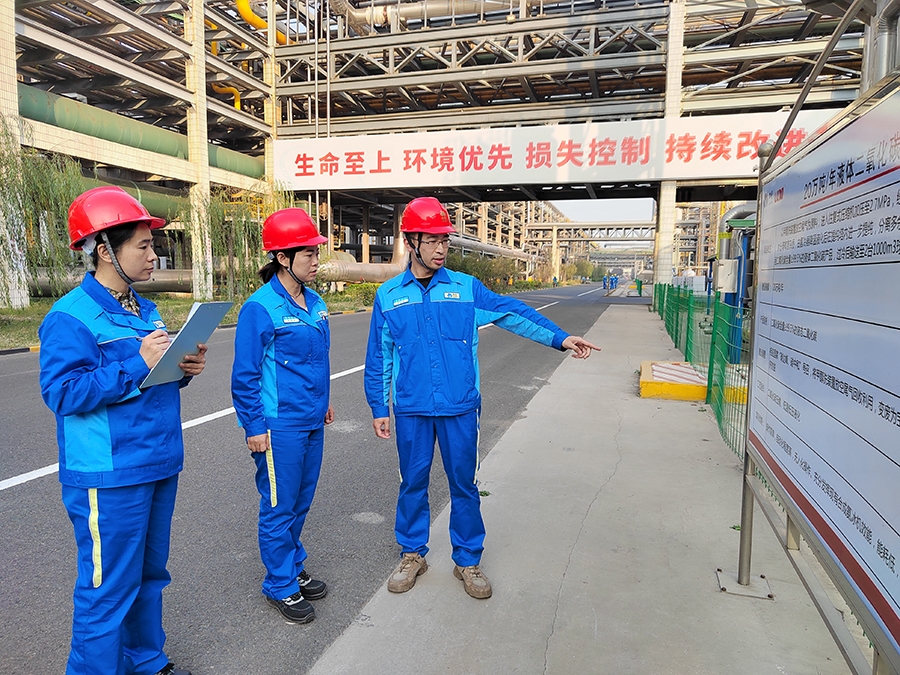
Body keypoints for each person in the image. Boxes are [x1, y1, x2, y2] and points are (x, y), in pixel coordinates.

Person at [364, 197, 600, 600]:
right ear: (412, 241)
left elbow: (512, 312)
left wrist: (560, 338)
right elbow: (379, 356)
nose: (441, 248)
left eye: (445, 240)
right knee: (412, 483)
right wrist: (377, 406)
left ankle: (467, 559)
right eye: (433, 240)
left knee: (465, 485)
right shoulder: (388, 296)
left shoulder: (465, 289)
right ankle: (412, 554)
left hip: (460, 408)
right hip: (412, 408)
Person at [39, 186, 207, 675]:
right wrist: (138, 362)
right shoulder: (69, 317)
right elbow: (63, 393)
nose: (154, 256)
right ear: (103, 249)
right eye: (144, 246)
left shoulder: (142, 309)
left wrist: (180, 369)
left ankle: (146, 661)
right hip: (108, 474)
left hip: (157, 460)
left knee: (149, 576)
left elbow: (149, 383)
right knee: (107, 588)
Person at [231, 207, 334, 624]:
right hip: (278, 426)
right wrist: (254, 426)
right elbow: (245, 375)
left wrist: (324, 401)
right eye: (308, 253)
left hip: (311, 420)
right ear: (282, 257)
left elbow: (317, 361)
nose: (315, 260)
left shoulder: (316, 302)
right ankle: (279, 583)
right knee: (279, 505)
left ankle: (291, 564)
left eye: (316, 252)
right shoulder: (261, 308)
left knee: (300, 501)